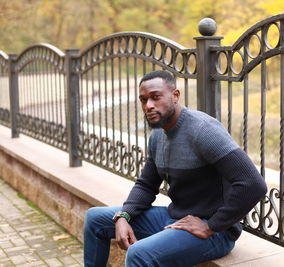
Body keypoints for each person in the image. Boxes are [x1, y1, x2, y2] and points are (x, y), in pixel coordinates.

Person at [83, 70, 267, 267]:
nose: (149, 106)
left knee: (139, 254)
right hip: (175, 218)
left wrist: (211, 226)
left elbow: (253, 184)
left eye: (155, 97)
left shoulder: (204, 131)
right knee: (95, 219)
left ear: (175, 96)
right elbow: (146, 185)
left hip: (216, 233)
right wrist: (124, 215)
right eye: (143, 100)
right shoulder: (157, 136)